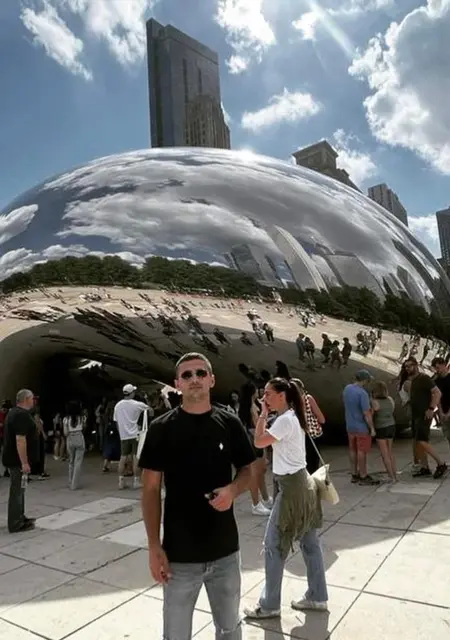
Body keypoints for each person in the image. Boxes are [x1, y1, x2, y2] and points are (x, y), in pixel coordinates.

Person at [139, 352, 255, 640]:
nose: (195, 379)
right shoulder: (161, 428)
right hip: (179, 557)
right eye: (187, 375)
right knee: (176, 634)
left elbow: (249, 471)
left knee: (229, 629)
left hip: (225, 553)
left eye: (201, 373)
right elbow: (150, 489)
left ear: (211, 380)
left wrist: (232, 490)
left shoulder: (229, 423)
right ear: (177, 383)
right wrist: (153, 546)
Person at [244, 377, 328, 620]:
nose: (264, 398)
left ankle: (269, 605)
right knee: (310, 544)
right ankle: (317, 596)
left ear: (282, 396)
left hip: (292, 489)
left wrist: (262, 414)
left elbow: (258, 441)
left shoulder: (284, 420)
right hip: (302, 485)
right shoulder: (291, 417)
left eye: (268, 394)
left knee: (273, 545)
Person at [2, 389, 39, 533]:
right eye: (32, 398)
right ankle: (15, 523)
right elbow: (20, 440)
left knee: (20, 489)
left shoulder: (14, 412)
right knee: (17, 490)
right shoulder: (21, 415)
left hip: (13, 458)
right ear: (26, 399)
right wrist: (24, 462)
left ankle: (20, 516)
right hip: (17, 460)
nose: (34, 401)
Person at [404, 357, 447, 479]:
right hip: (416, 415)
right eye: (406, 366)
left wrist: (431, 408)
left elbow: (437, 393)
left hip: (423, 415)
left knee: (422, 440)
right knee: (418, 441)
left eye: (410, 366)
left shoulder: (424, 378)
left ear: (416, 365)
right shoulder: (413, 380)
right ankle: (425, 467)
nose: (407, 368)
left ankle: (441, 464)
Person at [239, 383, 271, 516]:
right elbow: (257, 423)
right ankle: (256, 504)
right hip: (255, 439)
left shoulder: (251, 404)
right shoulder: (251, 407)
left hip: (255, 438)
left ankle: (265, 498)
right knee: (256, 473)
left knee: (261, 471)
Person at [343, 370, 379, 485]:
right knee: (361, 451)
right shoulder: (362, 394)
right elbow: (366, 413)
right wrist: (372, 428)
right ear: (365, 380)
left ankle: (354, 474)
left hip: (350, 425)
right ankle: (363, 475)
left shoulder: (347, 388)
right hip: (361, 427)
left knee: (352, 449)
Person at [113, 384, 152, 490]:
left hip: (123, 435)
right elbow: (150, 409)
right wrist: (146, 399)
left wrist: (121, 433)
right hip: (135, 434)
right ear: (131, 393)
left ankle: (121, 482)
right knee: (135, 457)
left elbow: (116, 421)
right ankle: (136, 481)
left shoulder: (118, 406)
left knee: (123, 457)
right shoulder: (136, 404)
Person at [291, 378, 325, 474]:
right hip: (311, 435)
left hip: (297, 436)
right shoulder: (308, 399)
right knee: (313, 464)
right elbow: (322, 419)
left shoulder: (289, 402)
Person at [371, 381, 397, 482]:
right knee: (390, 452)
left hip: (381, 427)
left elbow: (371, 415)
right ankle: (394, 475)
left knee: (384, 453)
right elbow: (392, 410)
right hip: (391, 425)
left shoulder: (374, 402)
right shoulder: (390, 399)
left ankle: (391, 477)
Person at [63, 401, 86, 490]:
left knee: (71, 461)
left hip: (70, 438)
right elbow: (84, 428)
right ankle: (74, 484)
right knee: (78, 462)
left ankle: (70, 481)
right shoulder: (82, 418)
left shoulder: (66, 419)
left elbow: (65, 433)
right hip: (79, 437)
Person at [432, 357, 450, 452]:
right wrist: (441, 412)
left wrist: (449, 413)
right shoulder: (437, 381)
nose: (437, 370)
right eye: (435, 368)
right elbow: (437, 398)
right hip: (443, 411)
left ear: (443, 365)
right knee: (448, 436)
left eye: (438, 367)